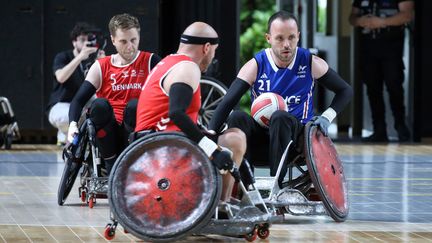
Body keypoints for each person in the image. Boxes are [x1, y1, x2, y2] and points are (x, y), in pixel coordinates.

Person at [208, 11, 353, 187]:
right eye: (279, 38)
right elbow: (227, 103)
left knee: (280, 116)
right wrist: (207, 139)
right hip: (260, 142)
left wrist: (326, 117)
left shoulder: (310, 62)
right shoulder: (256, 64)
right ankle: (245, 185)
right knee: (237, 117)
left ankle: (275, 186)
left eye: (291, 37)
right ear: (268, 38)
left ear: (298, 36)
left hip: (295, 144)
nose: (287, 44)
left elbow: (345, 90)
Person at [135, 22, 245, 202]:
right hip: (164, 147)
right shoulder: (188, 67)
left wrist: (204, 134)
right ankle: (221, 205)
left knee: (227, 136)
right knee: (235, 139)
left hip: (153, 141)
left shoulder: (168, 62)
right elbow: (176, 114)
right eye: (214, 51)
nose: (213, 56)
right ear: (207, 48)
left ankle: (220, 202)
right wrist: (213, 150)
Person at [67, 13, 161, 175]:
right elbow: (78, 101)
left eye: (134, 40)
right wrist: (73, 124)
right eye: (123, 41)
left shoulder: (151, 61)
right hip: (107, 129)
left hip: (135, 128)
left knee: (134, 105)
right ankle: (110, 165)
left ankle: (129, 160)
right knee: (99, 105)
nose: (130, 46)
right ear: (113, 40)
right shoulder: (101, 66)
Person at [349, 0, 414, 142]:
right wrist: (360, 20)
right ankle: (379, 131)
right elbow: (352, 18)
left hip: (392, 47)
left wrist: (382, 22)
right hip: (368, 47)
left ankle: (401, 126)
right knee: (373, 89)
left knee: (394, 85)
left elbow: (407, 15)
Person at [47, 22, 105, 146]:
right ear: (74, 42)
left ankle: (83, 140)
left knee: (102, 108)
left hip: (84, 104)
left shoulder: (95, 59)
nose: (85, 43)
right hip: (62, 104)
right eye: (82, 39)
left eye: (88, 39)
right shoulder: (63, 57)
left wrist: (102, 64)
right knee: (70, 117)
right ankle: (65, 132)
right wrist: (80, 57)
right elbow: (61, 77)